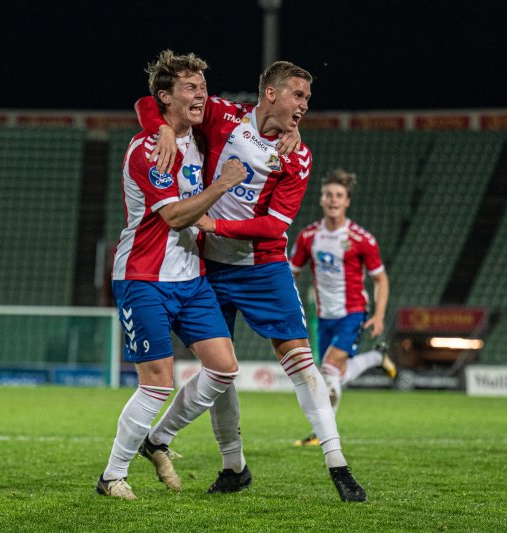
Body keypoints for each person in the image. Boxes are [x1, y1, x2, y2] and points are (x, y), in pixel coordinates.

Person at [136, 60, 367, 502]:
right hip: (208, 269)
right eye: (298, 96)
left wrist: (214, 226)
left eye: (308, 99)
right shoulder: (224, 116)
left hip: (262, 268)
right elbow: (148, 101)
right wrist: (162, 129)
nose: (304, 105)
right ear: (272, 94)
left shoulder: (298, 155)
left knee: (299, 359)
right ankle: (233, 467)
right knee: (218, 370)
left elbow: (274, 227)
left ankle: (338, 464)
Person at [96, 50, 249, 501]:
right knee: (157, 381)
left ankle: (156, 439)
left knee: (224, 369)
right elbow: (176, 219)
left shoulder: (193, 137)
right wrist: (221, 184)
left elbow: (255, 116)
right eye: (190, 87)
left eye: (203, 86)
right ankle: (112, 476)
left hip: (192, 277)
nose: (201, 94)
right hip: (144, 276)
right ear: (166, 97)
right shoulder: (148, 149)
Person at [288, 169, 396, 447]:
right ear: (321, 199)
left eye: (339, 195)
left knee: (329, 367)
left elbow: (380, 279)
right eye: (328, 195)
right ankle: (376, 359)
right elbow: (292, 272)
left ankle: (323, 436)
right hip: (324, 317)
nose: (333, 200)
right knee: (335, 374)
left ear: (347, 201)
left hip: (353, 312)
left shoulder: (362, 239)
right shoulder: (309, 237)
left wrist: (379, 315)